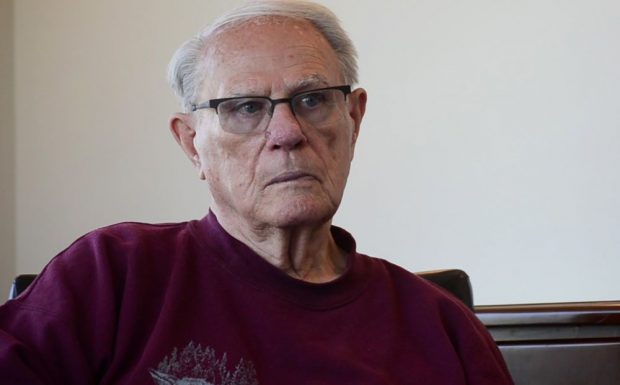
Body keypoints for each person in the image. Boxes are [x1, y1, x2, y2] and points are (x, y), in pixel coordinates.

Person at [0, 1, 514, 384]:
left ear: (353, 119)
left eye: (312, 99)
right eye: (245, 107)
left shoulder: (442, 329)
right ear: (192, 144)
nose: (287, 132)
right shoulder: (112, 277)